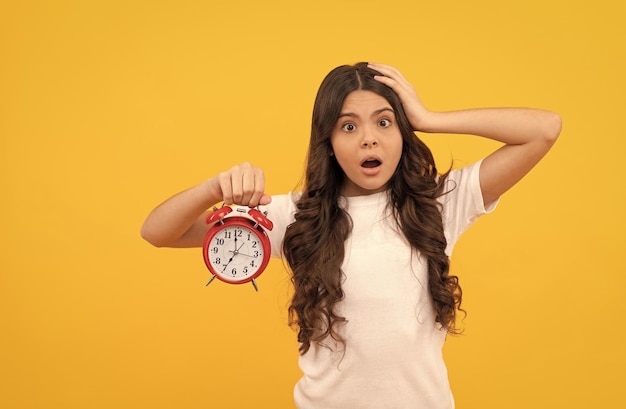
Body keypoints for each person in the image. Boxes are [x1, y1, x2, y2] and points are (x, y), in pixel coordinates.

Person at [141, 62, 561, 408]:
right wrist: (214, 189)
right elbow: (157, 232)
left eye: (384, 122)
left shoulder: (439, 204)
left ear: (402, 133)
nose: (368, 139)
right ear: (327, 140)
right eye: (348, 127)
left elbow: (544, 129)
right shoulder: (295, 216)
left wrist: (430, 118)